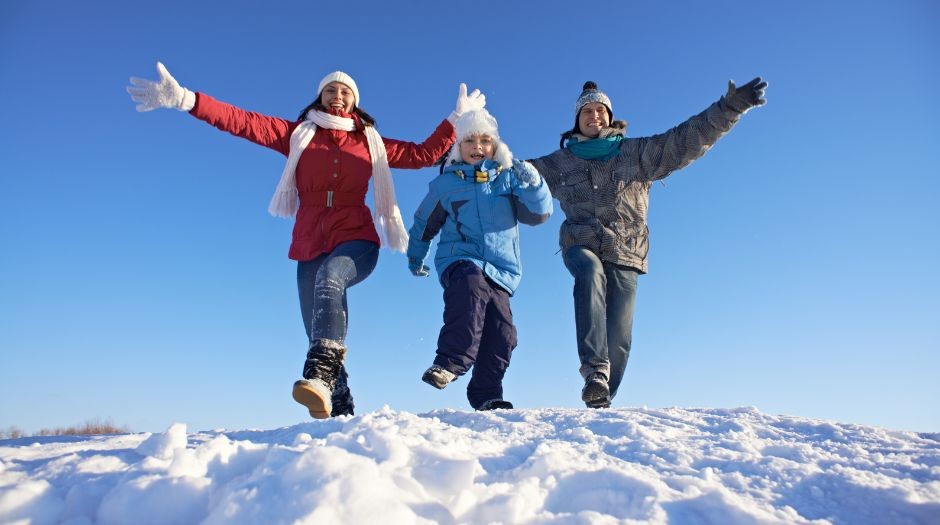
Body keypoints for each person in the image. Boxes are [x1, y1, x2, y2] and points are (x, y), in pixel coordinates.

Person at [127, 62, 486, 419]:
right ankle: (339, 403)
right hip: (309, 241)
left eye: (346, 92)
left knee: (329, 280)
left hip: (356, 238)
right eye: (331, 90)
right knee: (317, 330)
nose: (338, 96)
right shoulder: (298, 134)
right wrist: (187, 99)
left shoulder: (369, 142)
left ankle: (317, 375)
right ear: (319, 96)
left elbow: (422, 154)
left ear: (355, 102)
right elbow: (242, 121)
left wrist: (456, 119)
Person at [527, 78, 768, 408]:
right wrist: (473, 159)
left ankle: (602, 397)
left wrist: (729, 107)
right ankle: (595, 372)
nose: (593, 115)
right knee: (589, 271)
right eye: (586, 111)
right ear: (577, 120)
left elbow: (686, 139)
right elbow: (515, 172)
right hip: (580, 242)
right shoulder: (558, 164)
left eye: (600, 110)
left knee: (620, 336)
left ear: (610, 117)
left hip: (627, 248)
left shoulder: (638, 154)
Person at [406, 109, 553, 411]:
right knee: (471, 290)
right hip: (459, 259)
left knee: (503, 333)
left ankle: (487, 394)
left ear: (495, 145)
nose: (477, 147)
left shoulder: (508, 178)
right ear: (458, 147)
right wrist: (416, 255)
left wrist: (535, 183)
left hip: (501, 270)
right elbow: (424, 223)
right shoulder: (446, 185)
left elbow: (540, 214)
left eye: (485, 140)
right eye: (469, 140)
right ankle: (449, 362)